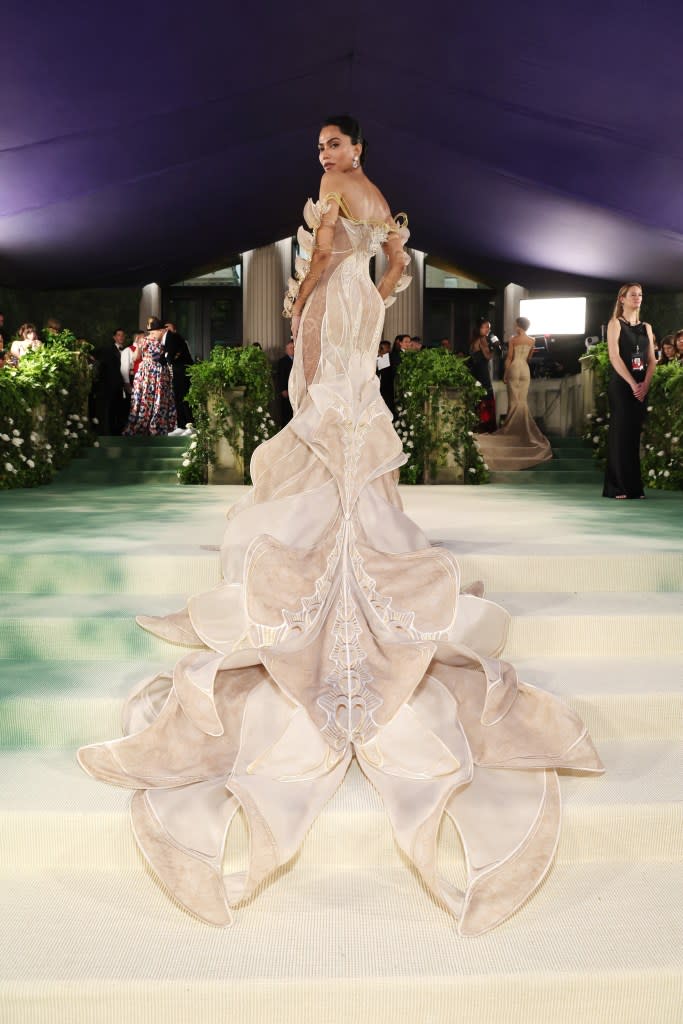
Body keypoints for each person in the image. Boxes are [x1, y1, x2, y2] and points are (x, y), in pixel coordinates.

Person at [78, 114, 601, 937]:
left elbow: (321, 257)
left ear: (355, 147)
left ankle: (330, 546)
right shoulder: (379, 196)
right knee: (345, 423)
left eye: (335, 143)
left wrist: (301, 303)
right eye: (320, 147)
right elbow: (392, 262)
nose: (326, 156)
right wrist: (364, 275)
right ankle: (359, 535)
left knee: (319, 414)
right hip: (361, 304)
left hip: (333, 302)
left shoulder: (336, 192)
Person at [474, 316, 552, 470]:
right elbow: (529, 358)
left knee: (514, 401)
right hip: (525, 369)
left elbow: (509, 358)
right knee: (522, 400)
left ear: (518, 326)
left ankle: (513, 429)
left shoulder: (513, 339)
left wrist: (505, 373)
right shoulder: (532, 340)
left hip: (515, 367)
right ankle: (523, 429)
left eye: (515, 325)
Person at [603, 283, 655, 499]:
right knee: (620, 434)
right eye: (633, 294)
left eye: (640, 294)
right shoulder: (615, 324)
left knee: (634, 435)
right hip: (623, 386)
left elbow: (652, 360)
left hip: (641, 385)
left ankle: (634, 487)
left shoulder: (647, 327)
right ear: (622, 299)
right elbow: (614, 357)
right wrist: (633, 384)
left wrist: (645, 384)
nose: (638, 298)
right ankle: (617, 487)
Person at [123, 319, 177, 436]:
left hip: (145, 373)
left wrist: (141, 350)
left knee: (144, 399)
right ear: (158, 330)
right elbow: (162, 357)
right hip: (157, 372)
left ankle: (143, 425)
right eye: (160, 330)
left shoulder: (142, 340)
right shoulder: (160, 342)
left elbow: (135, 358)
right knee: (157, 398)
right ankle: (155, 426)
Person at [99, 329, 131, 435]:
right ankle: (109, 432)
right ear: (114, 337)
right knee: (110, 409)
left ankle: (121, 431)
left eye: (123, 335)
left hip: (124, 385)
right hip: (111, 385)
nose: (121, 337)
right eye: (119, 335)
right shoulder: (108, 350)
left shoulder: (128, 350)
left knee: (122, 409)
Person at [163, 321, 194, 428]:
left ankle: (188, 423)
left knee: (183, 398)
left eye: (169, 329)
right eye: (165, 328)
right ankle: (181, 424)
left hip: (182, 373)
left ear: (174, 331)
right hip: (175, 374)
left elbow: (172, 357)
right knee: (177, 399)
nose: (167, 331)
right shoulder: (168, 342)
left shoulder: (177, 340)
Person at [468, 320, 496, 431]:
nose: (487, 330)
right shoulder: (482, 339)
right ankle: (485, 425)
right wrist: (494, 349)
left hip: (474, 372)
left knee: (477, 397)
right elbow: (488, 356)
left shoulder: (473, 340)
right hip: (482, 371)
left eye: (489, 328)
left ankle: (476, 424)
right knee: (486, 395)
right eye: (485, 327)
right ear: (479, 328)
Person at [276, 339, 295, 426]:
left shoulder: (298, 360)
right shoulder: (282, 361)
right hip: (287, 390)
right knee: (286, 412)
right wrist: (283, 389)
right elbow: (280, 377)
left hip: (296, 390)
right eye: (290, 348)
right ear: (286, 350)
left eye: (293, 347)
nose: (292, 349)